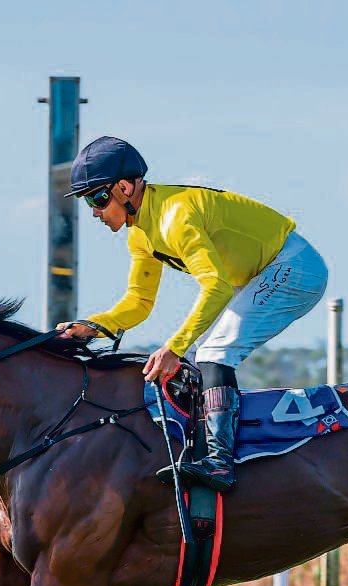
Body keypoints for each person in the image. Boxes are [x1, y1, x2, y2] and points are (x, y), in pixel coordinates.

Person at [58, 136, 328, 492]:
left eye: (97, 198)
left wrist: (174, 348)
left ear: (124, 188)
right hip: (260, 273)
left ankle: (220, 462)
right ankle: (210, 449)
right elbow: (139, 301)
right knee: (205, 356)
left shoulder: (176, 217)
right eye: (88, 202)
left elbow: (215, 287)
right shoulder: (140, 235)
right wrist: (93, 326)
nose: (95, 212)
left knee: (214, 352)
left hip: (293, 266)